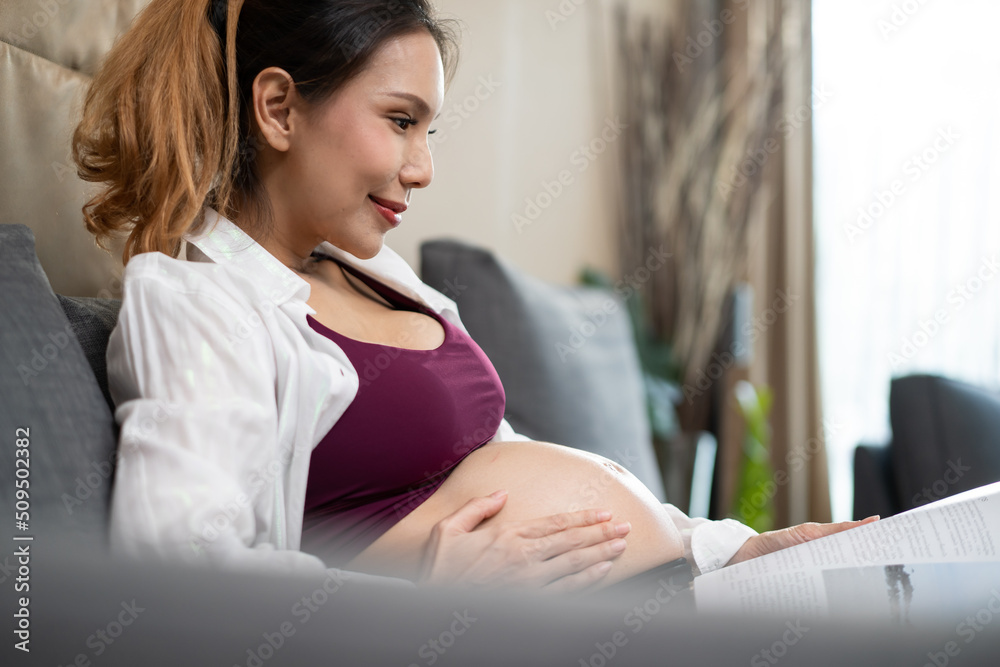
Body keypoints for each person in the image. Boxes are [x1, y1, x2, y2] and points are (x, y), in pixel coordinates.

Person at [73, 0, 873, 593]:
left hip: (672, 594)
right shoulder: (194, 300)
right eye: (400, 120)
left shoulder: (380, 275)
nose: (422, 169)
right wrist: (418, 592)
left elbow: (507, 463)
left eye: (431, 131)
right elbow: (176, 569)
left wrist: (733, 550)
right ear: (279, 107)